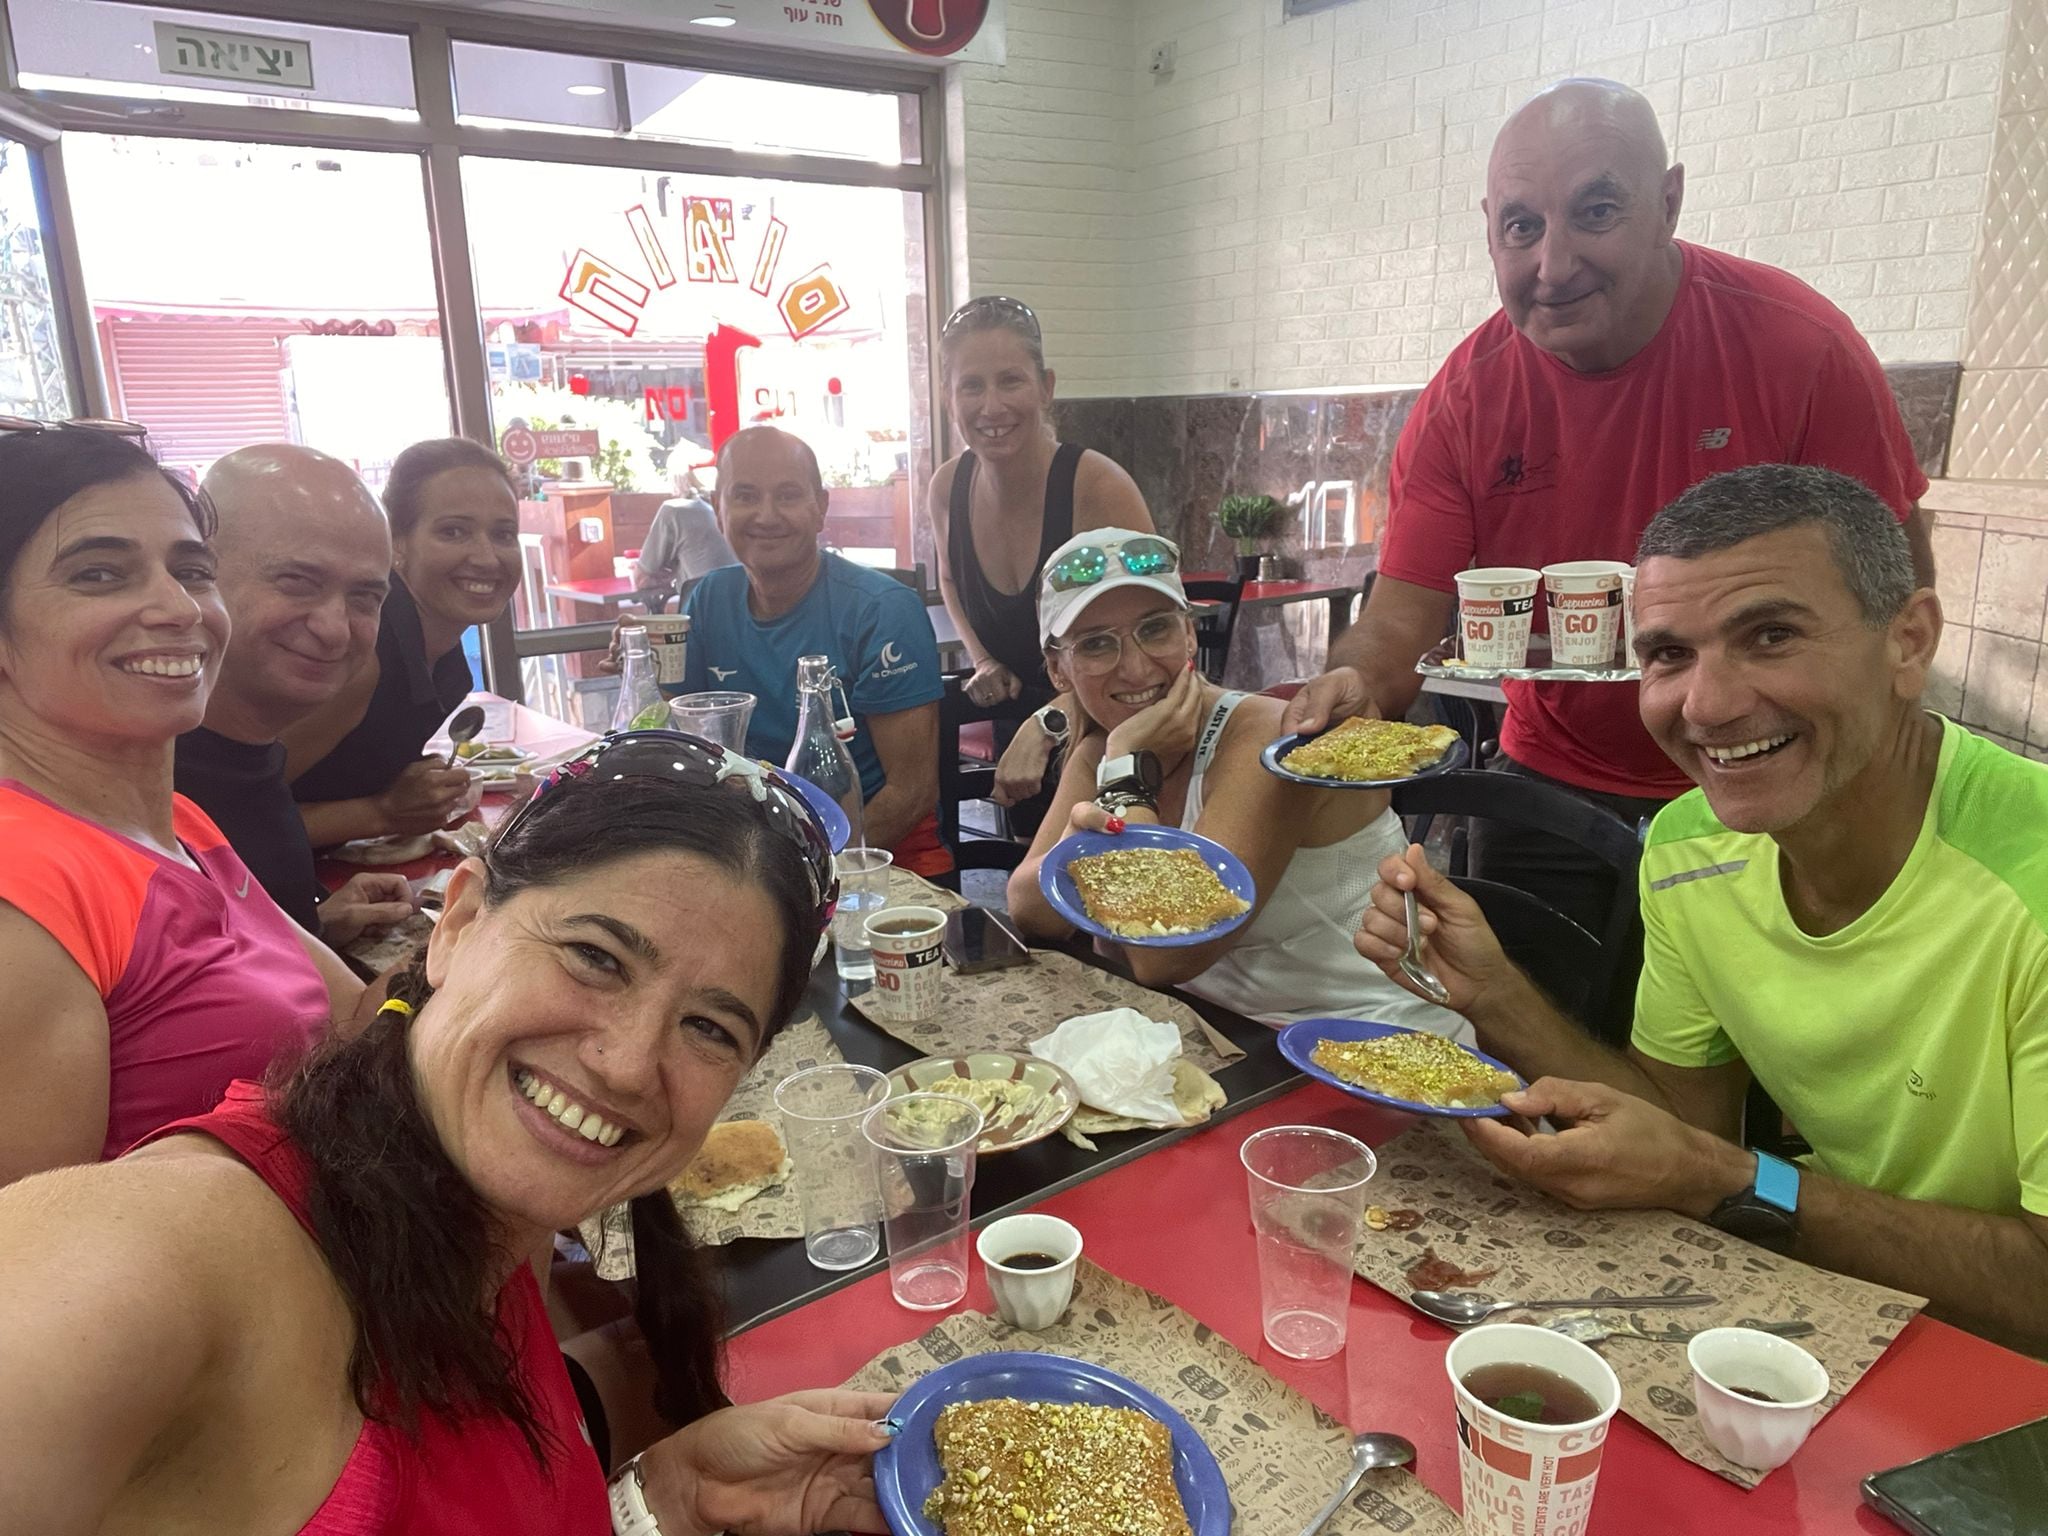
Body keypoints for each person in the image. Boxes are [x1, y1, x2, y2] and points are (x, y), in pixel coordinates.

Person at [0, 730, 900, 1528]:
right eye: (596, 956)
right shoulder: (171, 1259)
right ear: (460, 922)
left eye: (708, 1027)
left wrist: (658, 1501)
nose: (629, 1064)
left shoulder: (500, 1228)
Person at [1355, 465, 2048, 1352]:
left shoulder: (2025, 879)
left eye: (1771, 636)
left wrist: (1734, 1180)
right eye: (1669, 655)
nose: (1708, 706)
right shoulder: (1690, 845)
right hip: (1831, 1314)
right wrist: (1494, 994)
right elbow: (1680, 1128)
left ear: (1909, 643)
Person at [1283, 78, 1934, 936]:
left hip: (1769, 785)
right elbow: (1400, 621)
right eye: (1522, 226)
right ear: (1490, 230)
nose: (1553, 267)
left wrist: (1881, 801)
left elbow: (1895, 600)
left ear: (1667, 204)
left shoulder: (1798, 348)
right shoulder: (1466, 400)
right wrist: (1356, 685)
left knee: (1739, 1026)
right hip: (1551, 789)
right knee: (1522, 1014)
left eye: (1595, 212)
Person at [0, 427, 359, 1187]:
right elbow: (38, 1250)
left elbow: (361, 1019)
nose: (178, 606)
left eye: (193, 570)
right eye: (99, 574)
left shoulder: (177, 823)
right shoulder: (21, 898)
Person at [1006, 529, 1466, 1037]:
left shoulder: (1267, 739)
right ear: (1059, 670)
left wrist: (1127, 779)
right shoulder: (1106, 747)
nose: (1135, 668)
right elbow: (1028, 911)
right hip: (1230, 1036)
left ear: (1189, 635)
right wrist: (1077, 841)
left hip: (1377, 1039)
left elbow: (1165, 957)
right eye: (1096, 644)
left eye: (1155, 629)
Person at [679, 425, 947, 877]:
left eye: (787, 495)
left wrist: (798, 876)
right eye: (745, 495)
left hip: (881, 858)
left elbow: (911, 792)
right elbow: (681, 739)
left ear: (820, 508)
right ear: (717, 508)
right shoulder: (708, 599)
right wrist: (642, 663)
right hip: (755, 849)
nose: (766, 516)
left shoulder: (882, 610)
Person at [174, 444, 415, 947]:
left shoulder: (248, 756)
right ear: (199, 577)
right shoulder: (151, 788)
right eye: (298, 582)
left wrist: (316, 926)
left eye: (364, 597)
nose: (335, 629)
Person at [929, 296, 1154, 813]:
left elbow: (1154, 652)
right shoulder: (947, 489)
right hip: (1023, 742)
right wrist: (983, 659)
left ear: (1046, 387)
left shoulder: (1098, 489)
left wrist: (1050, 720)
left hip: (1121, 738)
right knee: (1031, 864)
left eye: (1010, 380)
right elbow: (951, 580)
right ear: (947, 398)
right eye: (971, 385)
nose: (991, 406)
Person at [285, 437, 520, 846]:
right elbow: (225, 820)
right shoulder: (364, 656)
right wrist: (382, 812)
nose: (487, 557)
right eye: (454, 532)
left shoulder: (445, 661)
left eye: (503, 534)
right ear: (395, 543)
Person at [635, 460, 737, 599]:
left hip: (703, 607)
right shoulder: (728, 509)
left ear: (676, 482)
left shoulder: (674, 510)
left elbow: (641, 580)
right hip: (741, 603)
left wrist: (662, 576)